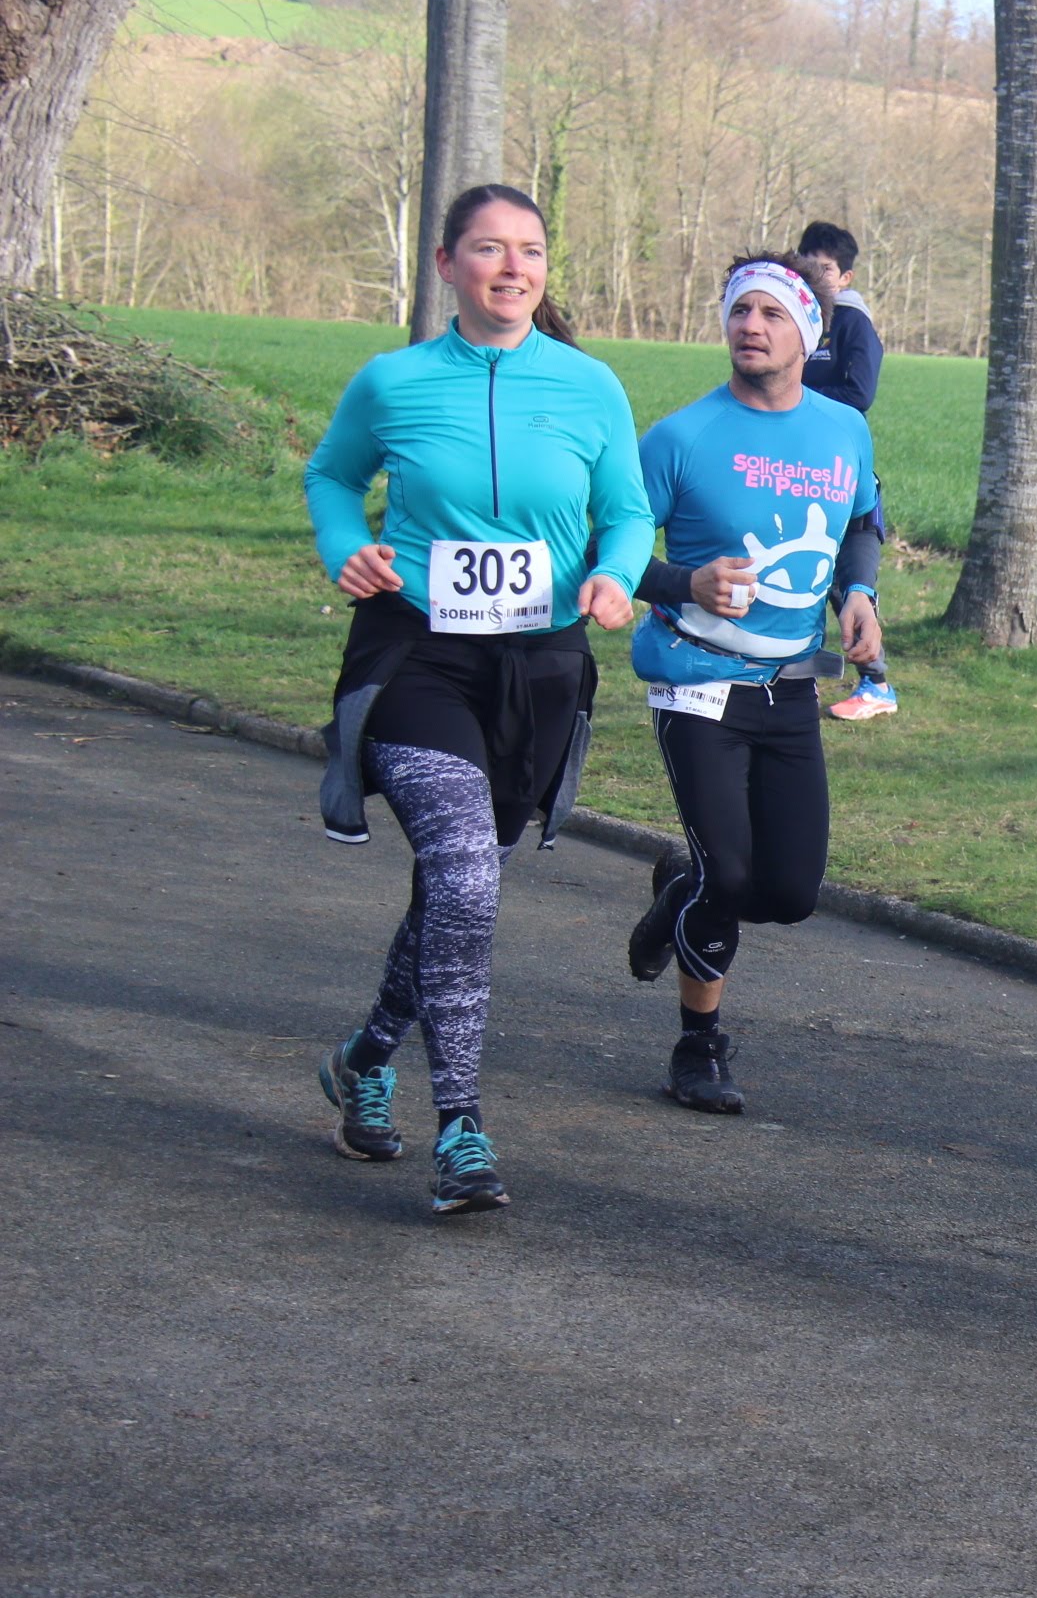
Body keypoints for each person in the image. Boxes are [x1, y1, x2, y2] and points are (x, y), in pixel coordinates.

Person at [308, 184, 651, 1215]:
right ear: (448, 263)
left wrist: (614, 576)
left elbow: (628, 513)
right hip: (418, 656)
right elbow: (332, 478)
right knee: (462, 868)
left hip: (538, 672)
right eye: (490, 249)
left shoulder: (589, 386)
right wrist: (347, 548)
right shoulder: (395, 381)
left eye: (530, 251)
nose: (513, 268)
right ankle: (460, 1125)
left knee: (459, 888)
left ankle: (366, 1058)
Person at [623, 254, 881, 1113]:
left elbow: (861, 520)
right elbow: (610, 550)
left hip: (791, 686)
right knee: (729, 877)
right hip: (696, 680)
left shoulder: (843, 429)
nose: (751, 326)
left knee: (791, 893)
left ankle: (679, 888)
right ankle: (697, 1049)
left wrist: (860, 593)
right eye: (740, 311)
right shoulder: (681, 438)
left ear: (807, 334)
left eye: (772, 314)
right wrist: (682, 583)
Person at [794, 219, 896, 721]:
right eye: (807, 266)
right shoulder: (797, 319)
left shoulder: (852, 322)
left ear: (846, 278)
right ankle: (796, 675)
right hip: (789, 460)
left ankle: (876, 684)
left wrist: (797, 397)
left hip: (835, 464)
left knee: (843, 579)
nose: (816, 276)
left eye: (826, 270)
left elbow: (860, 394)